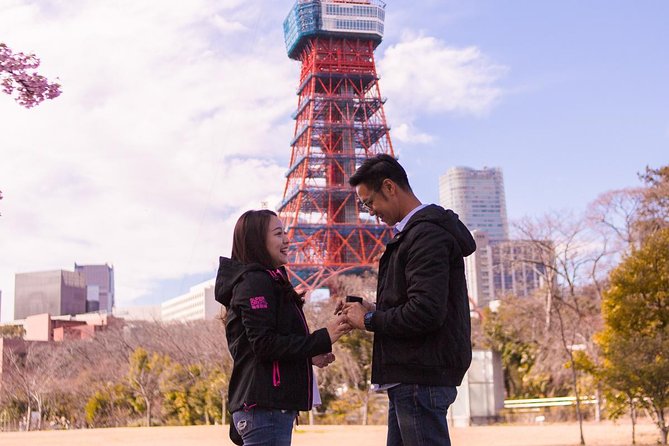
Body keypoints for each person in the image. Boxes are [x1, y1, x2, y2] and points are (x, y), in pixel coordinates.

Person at [342, 154, 476, 446]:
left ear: (390, 187)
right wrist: (373, 309)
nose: (370, 212)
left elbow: (425, 312)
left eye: (369, 203)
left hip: (420, 373)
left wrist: (368, 320)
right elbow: (419, 304)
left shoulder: (425, 235)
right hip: (413, 373)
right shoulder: (417, 234)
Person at [215, 209, 350, 446]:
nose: (287, 239)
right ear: (257, 241)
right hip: (265, 407)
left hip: (267, 406)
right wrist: (323, 337)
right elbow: (264, 345)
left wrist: (309, 355)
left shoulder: (266, 279)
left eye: (285, 232)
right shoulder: (255, 281)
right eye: (278, 234)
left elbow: (259, 345)